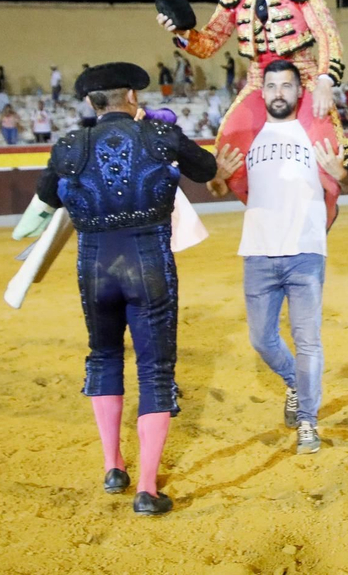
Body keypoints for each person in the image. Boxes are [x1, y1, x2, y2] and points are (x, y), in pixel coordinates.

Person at [18, 63, 217, 514]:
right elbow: (205, 168)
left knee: (104, 355)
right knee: (155, 369)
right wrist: (167, 134)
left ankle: (113, 466)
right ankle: (147, 488)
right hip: (149, 264)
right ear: (132, 96)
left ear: (91, 103)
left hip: (94, 268)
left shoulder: (69, 146)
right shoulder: (160, 137)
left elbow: (45, 201)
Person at [208, 60, 348, 455]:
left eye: (286, 85)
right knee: (261, 340)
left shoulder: (318, 133)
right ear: (262, 92)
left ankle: (308, 421)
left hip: (306, 252)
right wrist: (218, 179)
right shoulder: (248, 137)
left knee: (308, 341)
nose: (279, 92)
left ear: (299, 91)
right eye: (272, 85)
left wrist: (343, 175)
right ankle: (295, 381)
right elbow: (220, 189)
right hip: (258, 251)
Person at [161, 0, 347, 220]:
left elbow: (327, 33)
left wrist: (325, 80)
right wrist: (182, 33)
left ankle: (321, 218)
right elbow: (208, 43)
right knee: (229, 158)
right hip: (259, 81)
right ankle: (270, 216)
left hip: (303, 78)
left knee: (327, 153)